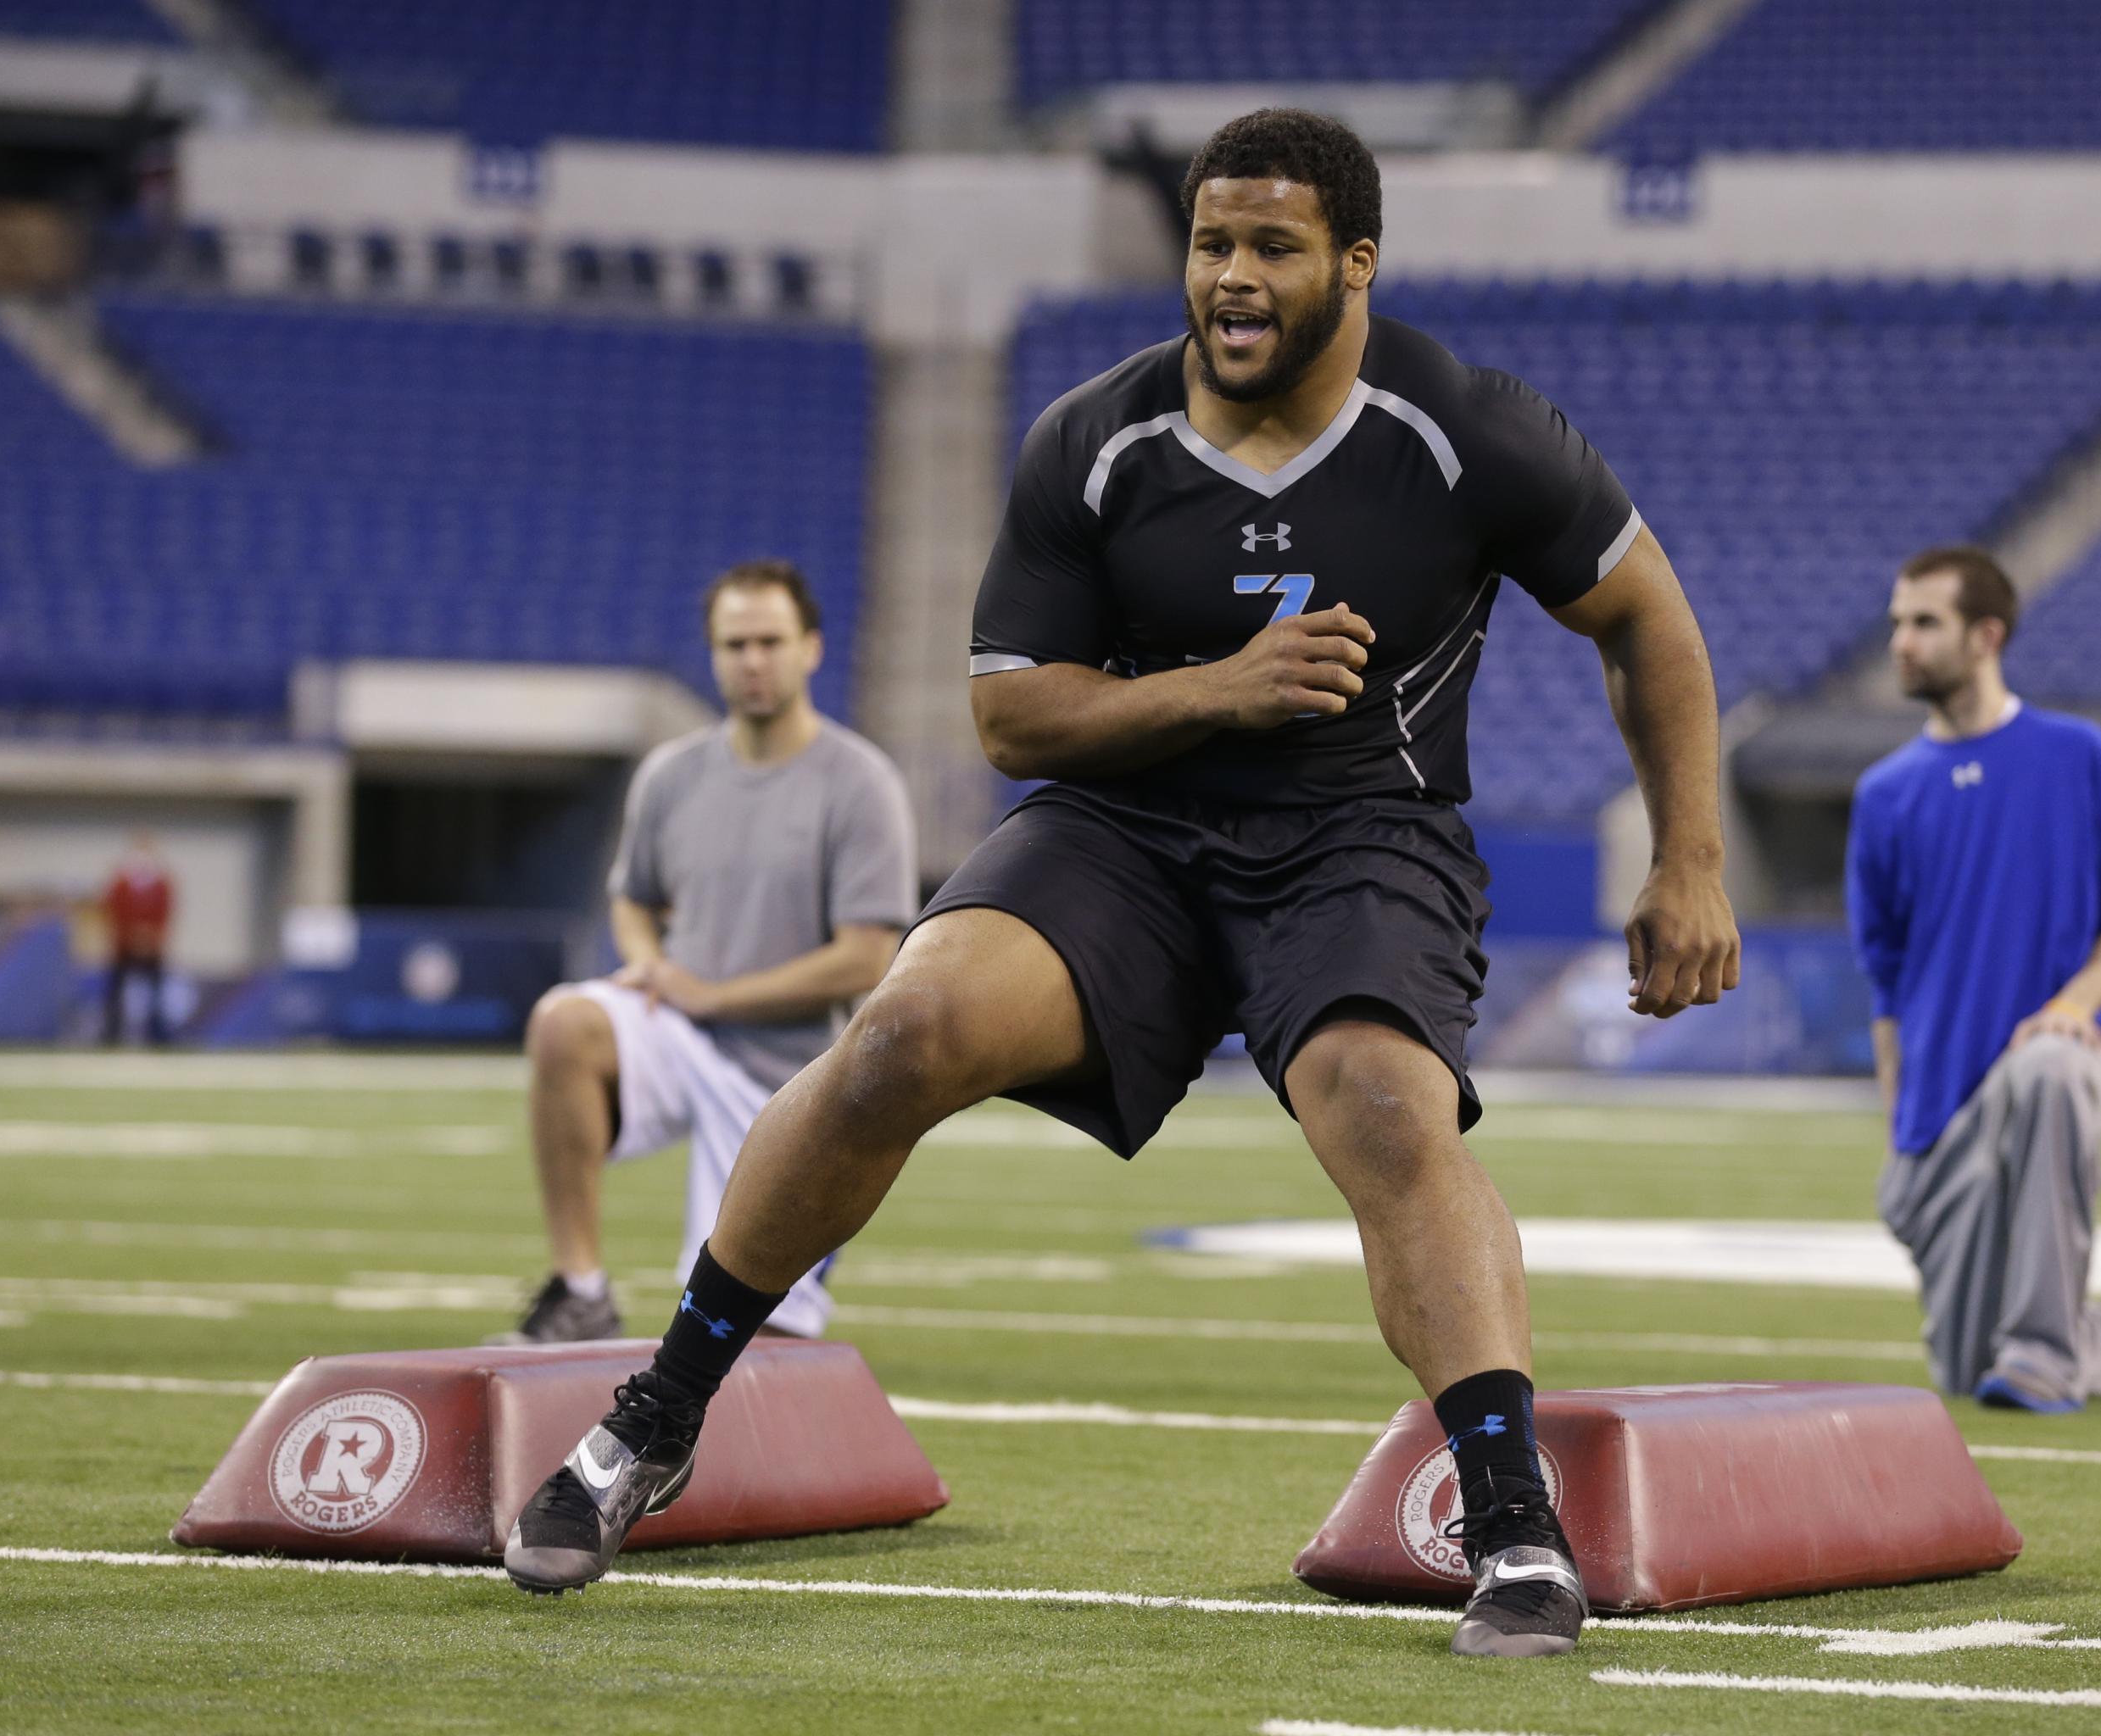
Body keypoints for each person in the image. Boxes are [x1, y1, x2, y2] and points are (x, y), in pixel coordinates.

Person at [503, 109, 1741, 1660]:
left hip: (1364, 832)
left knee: (1380, 1102)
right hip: (1124, 838)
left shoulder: (1470, 430)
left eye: (1271, 248)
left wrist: (1688, 858)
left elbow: (1650, 619)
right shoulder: (1094, 439)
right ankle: (652, 1417)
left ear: (1354, 265)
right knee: (896, 1033)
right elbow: (1012, 712)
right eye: (1210, 243)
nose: (1229, 277)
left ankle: (1510, 1524)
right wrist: (1223, 689)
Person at [490, 559, 917, 1347]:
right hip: (681, 1034)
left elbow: (867, 958)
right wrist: (649, 962)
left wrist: (715, 994)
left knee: (754, 1340)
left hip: (793, 1078)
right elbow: (633, 895)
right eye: (734, 644)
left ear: (811, 649)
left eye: (769, 641)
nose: (752, 661)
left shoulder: (860, 783)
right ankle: (580, 1288)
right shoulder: (671, 774)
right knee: (563, 1022)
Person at [1847, 546, 2101, 1415]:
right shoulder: (1883, 793)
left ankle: (2044, 1355)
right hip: (1945, 1098)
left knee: (2047, 1068)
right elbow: (1884, 980)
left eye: (1925, 622)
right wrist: (1899, 1129)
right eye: (1896, 622)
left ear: (1986, 635)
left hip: (2064, 1055)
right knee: (1966, 1370)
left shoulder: (2075, 753)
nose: (1901, 641)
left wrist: (2073, 1006)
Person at [101, 831, 175, 1045]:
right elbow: (114, 912)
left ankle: (158, 1036)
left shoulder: (161, 883)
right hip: (124, 946)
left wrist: (151, 937)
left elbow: (165, 913)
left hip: (152, 946)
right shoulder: (121, 883)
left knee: (157, 992)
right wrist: (130, 937)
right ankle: (111, 1036)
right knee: (115, 991)